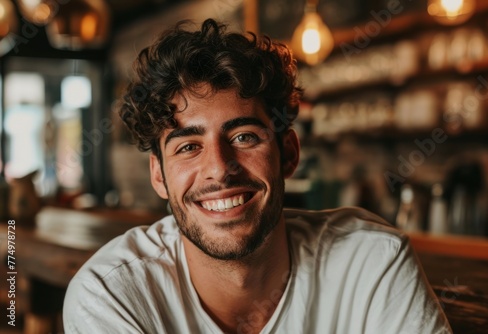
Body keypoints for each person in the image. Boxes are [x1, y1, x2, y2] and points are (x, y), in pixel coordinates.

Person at [63, 18, 452, 334]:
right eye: (188, 146)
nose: (219, 168)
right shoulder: (111, 295)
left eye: (244, 137)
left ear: (288, 154)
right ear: (159, 176)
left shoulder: (371, 262)